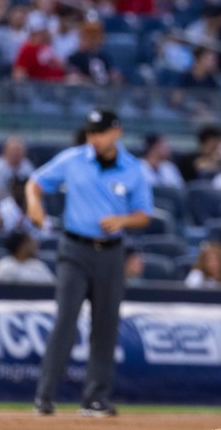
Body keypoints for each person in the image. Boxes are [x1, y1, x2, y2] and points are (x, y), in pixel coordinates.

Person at [26, 108, 152, 417]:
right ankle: (45, 396)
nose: (94, 138)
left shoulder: (132, 168)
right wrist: (34, 205)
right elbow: (35, 183)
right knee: (66, 319)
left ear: (116, 132)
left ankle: (95, 398)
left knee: (106, 324)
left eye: (100, 132)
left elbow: (144, 213)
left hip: (111, 252)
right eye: (91, 132)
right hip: (74, 249)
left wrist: (123, 219)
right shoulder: (73, 159)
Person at [0, 136, 34, 203]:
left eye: (19, 150)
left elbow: (33, 189)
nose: (15, 153)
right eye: (13, 150)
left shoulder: (27, 166)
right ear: (5, 151)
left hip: (23, 207)